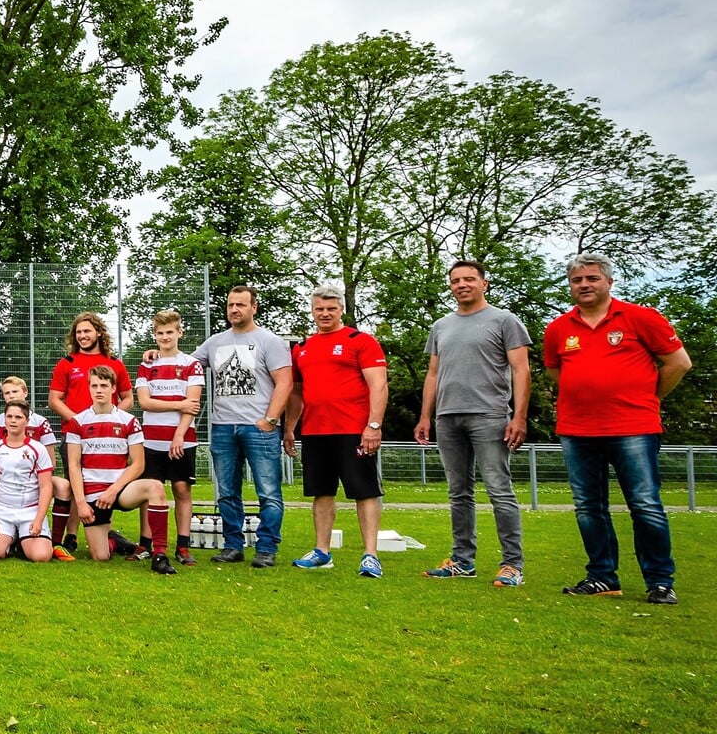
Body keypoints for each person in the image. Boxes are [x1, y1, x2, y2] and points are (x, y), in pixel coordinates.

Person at [543, 253, 691, 605]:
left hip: (633, 428)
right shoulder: (559, 328)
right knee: (588, 507)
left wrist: (648, 398)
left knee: (644, 504)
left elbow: (678, 362)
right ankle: (602, 576)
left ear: (609, 282)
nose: (584, 285)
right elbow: (555, 372)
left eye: (592, 279)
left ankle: (659, 580)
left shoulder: (641, 317)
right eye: (577, 280)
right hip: (577, 430)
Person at [414, 261, 531, 586]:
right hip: (447, 417)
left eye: (469, 279)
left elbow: (521, 370)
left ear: (484, 283)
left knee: (499, 489)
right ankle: (462, 561)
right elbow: (434, 373)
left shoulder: (504, 320)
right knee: (458, 492)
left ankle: (512, 565)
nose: (461, 284)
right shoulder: (441, 326)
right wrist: (426, 416)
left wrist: (518, 416)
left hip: (489, 415)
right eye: (455, 280)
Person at [283, 287, 390, 578]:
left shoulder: (361, 341)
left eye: (331, 309)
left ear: (340, 309)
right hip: (316, 432)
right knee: (321, 492)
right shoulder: (302, 346)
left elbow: (378, 385)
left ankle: (370, 554)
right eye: (319, 309)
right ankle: (322, 552)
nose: (325, 314)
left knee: (364, 491)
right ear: (312, 311)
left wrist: (374, 425)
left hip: (354, 430)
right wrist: (290, 428)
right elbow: (297, 392)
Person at [188, 286, 292, 567]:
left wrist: (270, 420)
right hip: (223, 427)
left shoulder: (270, 341)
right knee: (226, 492)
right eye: (231, 305)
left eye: (241, 305)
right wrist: (156, 353)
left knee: (268, 492)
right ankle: (232, 545)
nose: (235, 309)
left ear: (254, 307)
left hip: (259, 427)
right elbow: (186, 366)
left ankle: (266, 547)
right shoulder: (215, 343)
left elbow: (285, 382)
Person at [66, 366, 175, 572]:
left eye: (104, 386)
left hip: (120, 490)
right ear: (88, 388)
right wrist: (80, 503)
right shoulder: (77, 422)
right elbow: (74, 464)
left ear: (113, 388)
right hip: (93, 493)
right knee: (101, 557)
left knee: (155, 487)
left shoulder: (129, 421)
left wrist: (113, 490)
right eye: (94, 385)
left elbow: (139, 463)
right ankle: (114, 540)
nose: (99, 390)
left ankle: (159, 554)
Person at [135, 310, 205, 566]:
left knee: (181, 489)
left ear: (179, 333)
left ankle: (183, 547)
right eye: (160, 333)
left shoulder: (191, 363)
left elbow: (193, 404)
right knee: (150, 490)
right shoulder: (147, 364)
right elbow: (144, 402)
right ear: (155, 335)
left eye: (169, 332)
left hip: (182, 439)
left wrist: (178, 434)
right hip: (151, 439)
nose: (165, 337)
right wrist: (178, 404)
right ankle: (146, 543)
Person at [0, 376, 73, 553]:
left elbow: (51, 460)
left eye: (15, 391)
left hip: (37, 475)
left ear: (25, 392)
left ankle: (56, 541)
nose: (11, 396)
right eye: (7, 393)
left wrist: (34, 476)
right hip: (7, 477)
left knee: (63, 485)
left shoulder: (40, 422)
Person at [0, 401, 56, 562]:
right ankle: (12, 541)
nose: (13, 421)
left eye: (18, 417)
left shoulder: (38, 449)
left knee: (41, 556)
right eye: (9, 416)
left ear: (27, 421)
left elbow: (46, 486)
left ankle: (24, 541)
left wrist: (38, 519)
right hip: (2, 510)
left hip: (30, 511)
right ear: (4, 420)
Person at [47, 312, 132, 425]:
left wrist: (110, 419)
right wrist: (79, 422)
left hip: (108, 432)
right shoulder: (66, 363)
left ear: (99, 332)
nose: (82, 336)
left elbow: (128, 399)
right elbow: (54, 400)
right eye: (78, 332)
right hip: (74, 433)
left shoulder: (115, 363)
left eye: (87, 331)